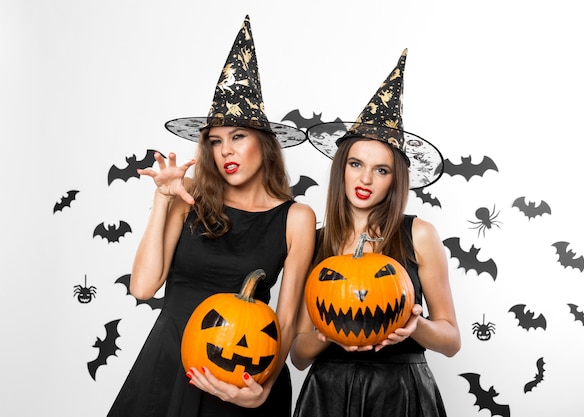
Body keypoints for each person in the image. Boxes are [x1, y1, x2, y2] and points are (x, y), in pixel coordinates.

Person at [107, 15, 316, 417]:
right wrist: (163, 199)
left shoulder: (297, 218)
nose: (226, 151)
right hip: (169, 364)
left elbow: (287, 320)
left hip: (242, 375)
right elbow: (143, 288)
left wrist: (263, 389)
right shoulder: (189, 201)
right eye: (216, 141)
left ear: (264, 143)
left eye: (238, 137)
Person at [290, 49, 461, 417]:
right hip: (329, 392)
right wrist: (327, 337)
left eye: (381, 170)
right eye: (356, 164)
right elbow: (299, 354)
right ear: (342, 169)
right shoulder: (316, 242)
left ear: (395, 180)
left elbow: (451, 341)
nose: (366, 179)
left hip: (402, 392)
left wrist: (415, 325)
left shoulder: (419, 234)